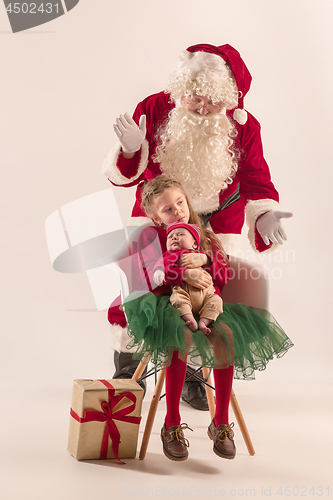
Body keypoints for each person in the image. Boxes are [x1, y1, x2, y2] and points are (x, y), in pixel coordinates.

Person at [102, 43, 293, 409]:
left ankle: (193, 376)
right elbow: (126, 177)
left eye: (213, 102)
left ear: (228, 99)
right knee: (138, 289)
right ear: (181, 89)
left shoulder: (245, 126)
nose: (203, 108)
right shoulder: (155, 108)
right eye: (194, 99)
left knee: (206, 295)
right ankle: (128, 370)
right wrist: (129, 151)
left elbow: (255, 177)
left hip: (218, 223)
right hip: (157, 217)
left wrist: (264, 212)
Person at [120, 175, 293, 461]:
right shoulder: (150, 236)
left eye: (180, 203)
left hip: (206, 302)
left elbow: (223, 278)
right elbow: (151, 278)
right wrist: (181, 273)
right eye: (168, 209)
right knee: (182, 335)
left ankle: (221, 422)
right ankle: (172, 423)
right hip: (165, 303)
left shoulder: (205, 235)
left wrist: (208, 263)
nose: (178, 211)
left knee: (225, 335)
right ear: (154, 216)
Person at [153, 222, 224, 335]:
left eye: (180, 234)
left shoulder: (201, 255)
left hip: (207, 294)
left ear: (194, 244)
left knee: (217, 301)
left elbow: (220, 272)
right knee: (177, 300)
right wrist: (159, 272)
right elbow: (161, 265)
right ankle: (189, 319)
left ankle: (204, 321)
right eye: (170, 237)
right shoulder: (169, 255)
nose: (174, 237)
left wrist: (207, 259)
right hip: (183, 291)